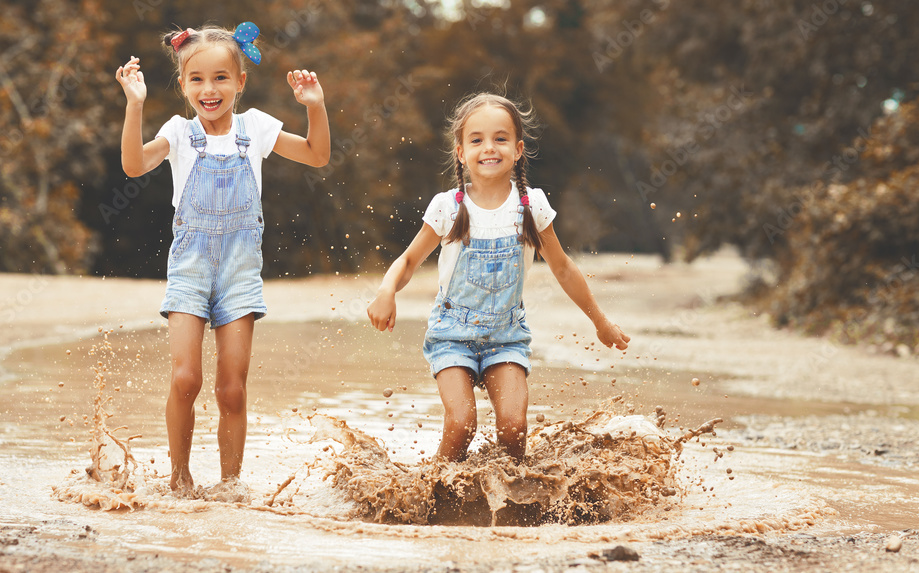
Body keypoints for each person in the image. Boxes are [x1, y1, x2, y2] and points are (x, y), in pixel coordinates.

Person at [115, 22, 329, 495]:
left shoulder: (256, 128)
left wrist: (315, 108)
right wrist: (134, 105)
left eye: (220, 78)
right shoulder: (178, 133)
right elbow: (133, 165)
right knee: (187, 377)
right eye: (197, 79)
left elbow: (316, 155)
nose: (209, 90)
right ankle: (179, 478)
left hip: (239, 273)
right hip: (189, 269)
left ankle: (231, 487)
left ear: (240, 81)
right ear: (183, 84)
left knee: (231, 388)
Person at [367, 93, 629, 463]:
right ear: (461, 152)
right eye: (477, 140)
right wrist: (386, 290)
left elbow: (563, 268)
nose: (489, 148)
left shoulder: (531, 206)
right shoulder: (448, 207)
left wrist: (601, 322)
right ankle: (434, 497)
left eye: (500, 138)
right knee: (462, 423)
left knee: (513, 427)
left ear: (518, 149)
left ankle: (515, 508)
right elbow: (409, 260)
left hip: (506, 337)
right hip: (451, 335)